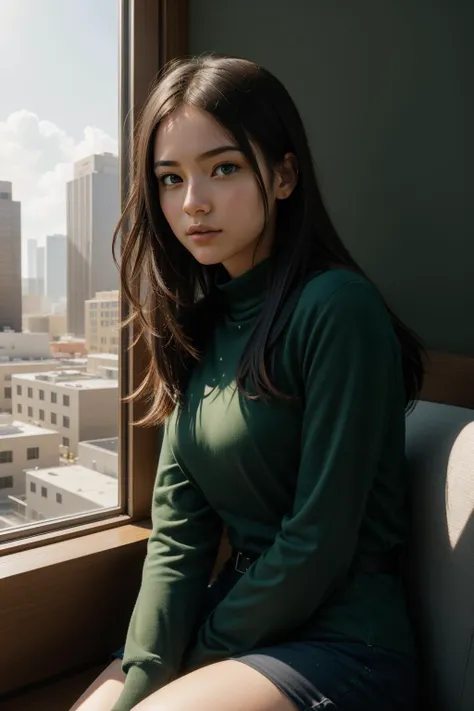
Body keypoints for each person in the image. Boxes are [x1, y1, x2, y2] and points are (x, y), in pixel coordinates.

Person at [69, 54, 424, 711]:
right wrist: (146, 672)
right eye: (170, 179)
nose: (192, 202)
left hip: (342, 642)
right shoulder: (199, 330)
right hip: (235, 632)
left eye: (223, 168)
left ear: (284, 174)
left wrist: (197, 656)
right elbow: (179, 540)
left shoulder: (337, 308)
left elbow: (318, 542)